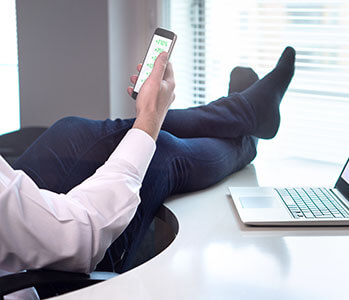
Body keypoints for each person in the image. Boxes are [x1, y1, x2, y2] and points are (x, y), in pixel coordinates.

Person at [0, 46, 295, 288]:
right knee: (158, 150)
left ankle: (244, 112)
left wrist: (149, 119)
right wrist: (149, 121)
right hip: (38, 277)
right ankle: (246, 130)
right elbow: (82, 235)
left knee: (70, 130)